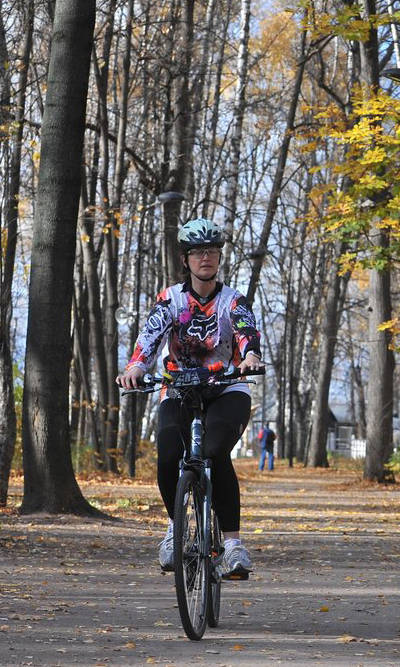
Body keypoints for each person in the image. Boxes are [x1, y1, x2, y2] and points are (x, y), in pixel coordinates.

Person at [116, 217, 263, 580]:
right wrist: (136, 366)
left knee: (214, 453)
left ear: (219, 256)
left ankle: (232, 546)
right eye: (198, 252)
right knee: (168, 454)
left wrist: (250, 356)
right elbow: (148, 340)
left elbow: (246, 332)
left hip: (227, 388)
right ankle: (175, 528)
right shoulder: (171, 299)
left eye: (212, 251)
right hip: (179, 388)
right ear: (186, 260)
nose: (205, 258)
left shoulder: (233, 300)